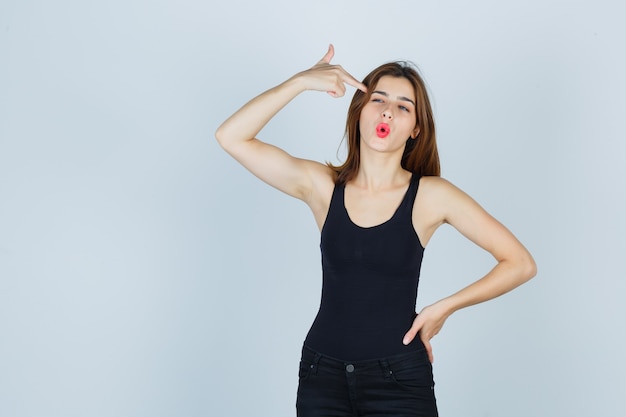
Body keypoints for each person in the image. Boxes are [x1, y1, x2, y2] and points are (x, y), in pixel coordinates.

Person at [215, 45, 537, 417]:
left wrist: (443, 309)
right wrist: (301, 82)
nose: (388, 110)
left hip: (398, 380)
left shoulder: (431, 196)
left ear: (416, 128)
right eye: (378, 99)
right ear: (359, 111)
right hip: (322, 377)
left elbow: (519, 263)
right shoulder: (323, 187)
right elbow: (231, 137)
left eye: (403, 106)